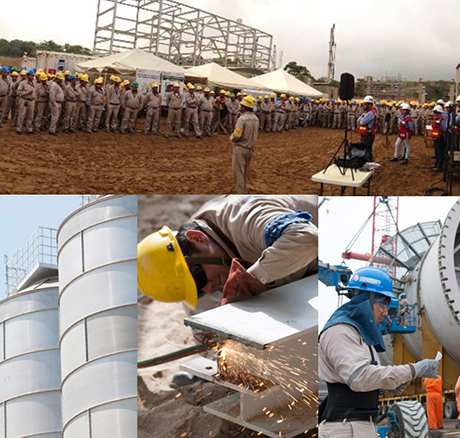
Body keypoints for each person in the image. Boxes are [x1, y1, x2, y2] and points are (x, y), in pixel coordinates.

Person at [138, 195, 318, 313]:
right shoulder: (203, 283)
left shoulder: (246, 219)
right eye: (197, 291)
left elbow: (307, 237)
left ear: (198, 239)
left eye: (199, 279)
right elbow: (208, 338)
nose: (208, 289)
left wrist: (249, 279)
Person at [318, 266, 439, 438]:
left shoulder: (361, 336)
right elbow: (359, 378)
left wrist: (387, 387)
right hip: (345, 428)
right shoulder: (341, 331)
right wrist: (413, 370)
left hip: (359, 424)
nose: (385, 313)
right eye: (382, 305)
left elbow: (360, 382)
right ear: (366, 299)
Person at [230, 95, 259, 194]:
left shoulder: (242, 119)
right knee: (245, 172)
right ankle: (244, 191)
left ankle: (240, 194)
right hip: (250, 148)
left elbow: (237, 135)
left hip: (240, 148)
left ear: (243, 107)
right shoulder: (256, 119)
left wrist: (232, 138)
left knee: (238, 172)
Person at [357, 95, 377, 161]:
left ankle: (368, 162)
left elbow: (362, 122)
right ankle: (368, 161)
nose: (364, 106)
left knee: (366, 150)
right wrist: (361, 119)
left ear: (370, 105)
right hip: (365, 134)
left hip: (368, 135)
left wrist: (361, 119)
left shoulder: (371, 113)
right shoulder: (367, 112)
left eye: (365, 104)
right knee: (367, 149)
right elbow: (358, 120)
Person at [432, 104, 447, 172]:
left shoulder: (441, 119)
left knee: (440, 151)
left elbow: (444, 128)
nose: (435, 113)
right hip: (435, 136)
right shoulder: (436, 118)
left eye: (436, 112)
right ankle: (437, 164)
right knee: (437, 151)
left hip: (440, 137)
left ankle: (440, 165)